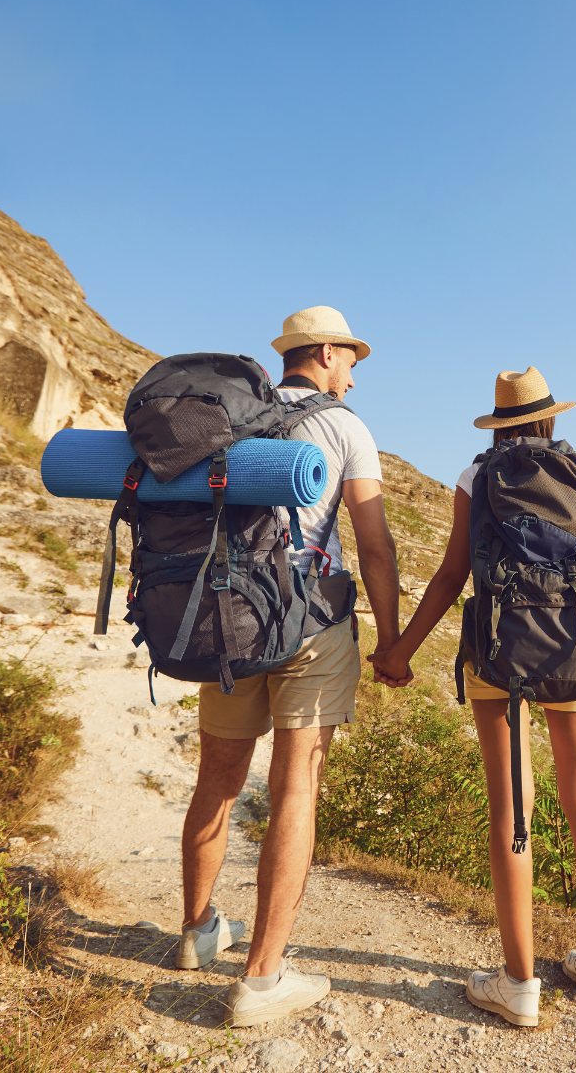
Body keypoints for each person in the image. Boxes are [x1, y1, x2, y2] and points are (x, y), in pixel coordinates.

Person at [178, 305, 406, 1027]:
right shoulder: (343, 426)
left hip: (229, 620)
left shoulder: (234, 416)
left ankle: (196, 931)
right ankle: (262, 978)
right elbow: (373, 544)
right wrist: (391, 640)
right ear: (328, 353)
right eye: (352, 359)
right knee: (294, 789)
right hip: (309, 623)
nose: (355, 372)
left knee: (216, 777)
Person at [369, 367, 576, 1026]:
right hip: (574, 645)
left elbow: (453, 574)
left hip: (501, 650)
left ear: (499, 423)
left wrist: (400, 649)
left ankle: (519, 982)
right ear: (550, 420)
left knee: (513, 809)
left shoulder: (477, 477)